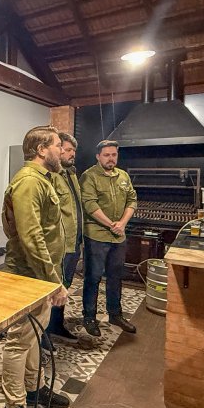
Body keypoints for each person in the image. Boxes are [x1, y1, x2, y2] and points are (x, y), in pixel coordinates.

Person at [0, 125, 70, 408]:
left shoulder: (43, 179)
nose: (61, 151)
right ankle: (14, 406)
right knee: (19, 341)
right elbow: (31, 237)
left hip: (38, 275)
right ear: (42, 150)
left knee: (33, 336)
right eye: (57, 145)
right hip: (28, 277)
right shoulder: (29, 181)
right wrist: (54, 281)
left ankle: (33, 388)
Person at [79, 140, 138, 337]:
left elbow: (132, 200)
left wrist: (122, 223)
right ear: (98, 156)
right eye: (106, 155)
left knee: (116, 276)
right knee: (93, 277)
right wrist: (112, 224)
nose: (111, 158)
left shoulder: (123, 176)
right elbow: (90, 204)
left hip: (118, 236)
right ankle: (89, 317)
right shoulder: (89, 176)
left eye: (114, 155)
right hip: (96, 236)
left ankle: (115, 314)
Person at [42, 132, 82, 347]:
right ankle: (43, 334)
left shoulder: (71, 175)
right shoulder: (51, 177)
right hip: (60, 245)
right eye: (66, 149)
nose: (71, 154)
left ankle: (56, 325)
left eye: (73, 151)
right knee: (52, 289)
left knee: (64, 287)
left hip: (74, 243)